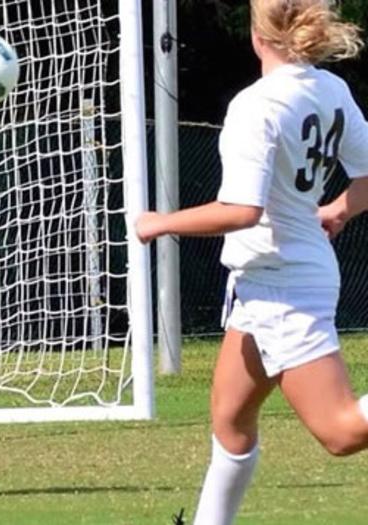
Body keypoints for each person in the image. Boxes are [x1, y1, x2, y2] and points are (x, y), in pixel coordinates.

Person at [136, 2, 368, 524]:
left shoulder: (256, 105)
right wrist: (338, 209)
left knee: (342, 432)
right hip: (267, 280)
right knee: (230, 422)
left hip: (283, 281)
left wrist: (160, 223)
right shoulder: (329, 89)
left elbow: (242, 211)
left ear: (256, 33)